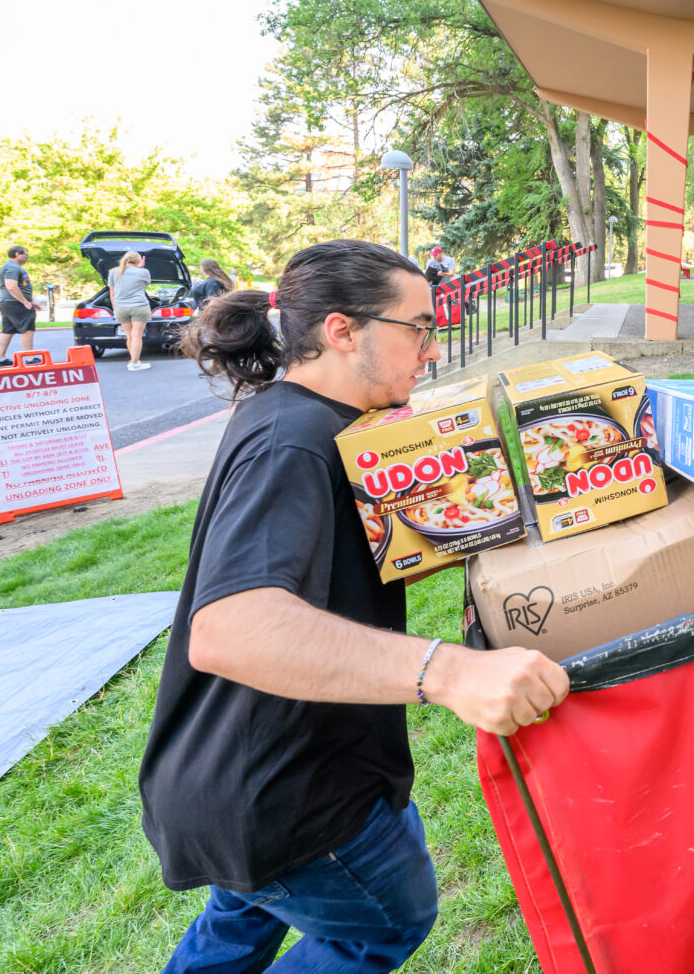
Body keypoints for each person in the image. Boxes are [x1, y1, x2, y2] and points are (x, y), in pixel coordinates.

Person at [141, 238, 569, 973]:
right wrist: (447, 671)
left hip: (234, 773)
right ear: (343, 331)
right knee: (387, 918)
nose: (431, 352)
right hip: (287, 792)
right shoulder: (293, 442)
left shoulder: (301, 413)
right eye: (420, 329)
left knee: (247, 909)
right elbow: (231, 627)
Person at [0, 245, 43, 366]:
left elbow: (20, 286)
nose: (27, 257)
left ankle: (0, 359)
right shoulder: (11, 267)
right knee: (27, 330)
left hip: (9, 303)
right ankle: (30, 359)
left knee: (8, 331)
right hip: (15, 303)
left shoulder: (13, 267)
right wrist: (25, 302)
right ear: (17, 254)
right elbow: (11, 286)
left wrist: (31, 300)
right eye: (26, 254)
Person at [109, 251, 155, 371]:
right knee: (137, 335)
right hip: (139, 306)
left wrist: (116, 307)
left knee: (129, 335)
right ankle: (135, 364)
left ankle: (133, 360)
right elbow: (147, 283)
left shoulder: (113, 272)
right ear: (139, 261)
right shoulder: (144, 272)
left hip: (120, 307)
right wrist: (141, 268)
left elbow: (112, 294)